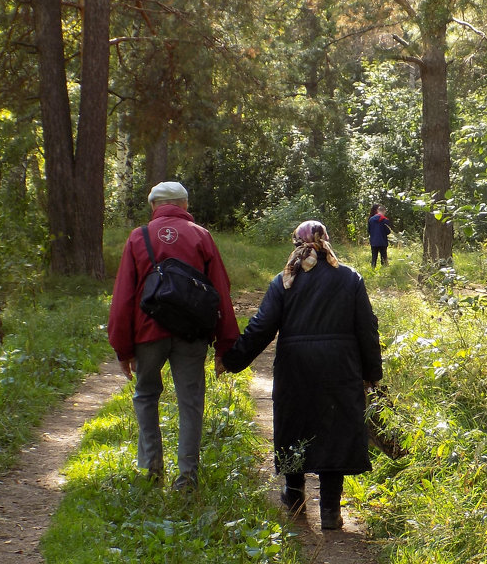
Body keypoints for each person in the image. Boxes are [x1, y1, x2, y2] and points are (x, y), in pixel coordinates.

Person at [216, 220, 381, 530]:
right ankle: (330, 510)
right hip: (340, 367)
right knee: (336, 432)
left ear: (297, 245)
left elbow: (261, 327)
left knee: (295, 425)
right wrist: (372, 373)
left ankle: (294, 497)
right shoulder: (350, 279)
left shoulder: (285, 281)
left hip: (295, 366)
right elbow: (367, 330)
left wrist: (233, 360)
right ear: (327, 242)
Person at [108, 181, 239, 491]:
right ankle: (187, 478)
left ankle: (151, 470)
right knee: (191, 401)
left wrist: (123, 349)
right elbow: (220, 290)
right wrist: (225, 344)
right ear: (184, 205)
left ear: (154, 206)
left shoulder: (138, 237)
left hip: (147, 331)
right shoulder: (201, 236)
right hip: (192, 333)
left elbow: (123, 296)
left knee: (145, 395)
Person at [367, 203, 392, 268]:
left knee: (374, 257)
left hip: (374, 241)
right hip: (383, 241)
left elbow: (368, 231)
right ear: (384, 211)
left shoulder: (371, 219)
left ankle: (372, 269)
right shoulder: (385, 220)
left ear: (378, 210)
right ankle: (385, 270)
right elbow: (388, 231)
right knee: (384, 257)